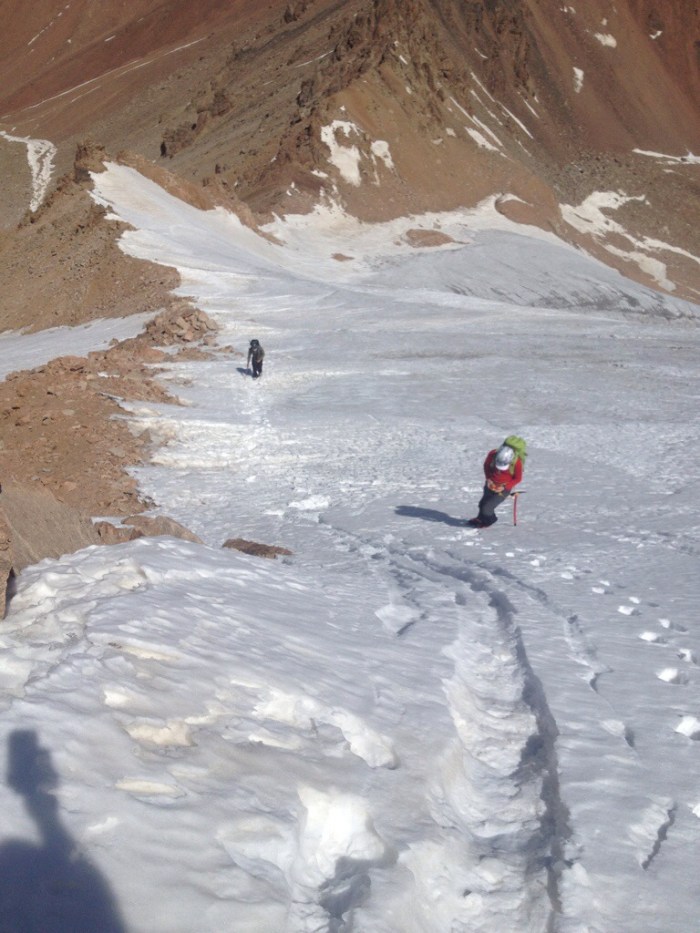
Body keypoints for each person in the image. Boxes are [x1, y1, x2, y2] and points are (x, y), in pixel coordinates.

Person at [468, 436, 525, 528]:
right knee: (482, 504)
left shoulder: (517, 462)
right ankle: (480, 519)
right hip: (490, 484)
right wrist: (488, 479)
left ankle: (489, 520)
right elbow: (486, 466)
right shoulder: (492, 454)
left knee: (487, 508)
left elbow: (518, 478)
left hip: (504, 489)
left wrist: (504, 487)